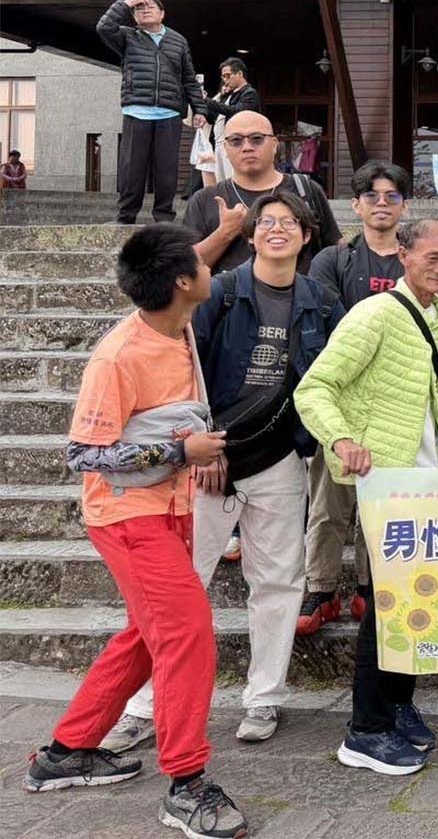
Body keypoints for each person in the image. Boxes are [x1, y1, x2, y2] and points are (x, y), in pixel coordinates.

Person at [23, 223, 248, 838]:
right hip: (126, 519)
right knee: (188, 633)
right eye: (200, 264)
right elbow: (83, 455)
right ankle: (186, 783)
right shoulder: (119, 354)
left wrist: (228, 229)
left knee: (147, 637)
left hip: (168, 511)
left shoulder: (175, 323)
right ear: (182, 283)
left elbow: (191, 256)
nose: (212, 268)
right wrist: (182, 452)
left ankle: (65, 753)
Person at [107, 190, 343, 752]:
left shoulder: (321, 299)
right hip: (207, 461)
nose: (277, 230)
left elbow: (330, 374)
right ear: (252, 234)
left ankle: (264, 698)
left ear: (307, 237)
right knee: (179, 587)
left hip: (281, 458)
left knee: (280, 582)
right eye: (267, 223)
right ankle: (142, 706)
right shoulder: (223, 292)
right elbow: (186, 368)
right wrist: (201, 446)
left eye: (289, 223)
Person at [295, 219, 438, 776]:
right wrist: (343, 440)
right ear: (403, 254)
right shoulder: (373, 314)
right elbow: (314, 387)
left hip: (427, 485)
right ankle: (364, 730)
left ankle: (397, 705)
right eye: (432, 257)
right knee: (386, 608)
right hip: (384, 484)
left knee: (415, 605)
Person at [297, 161, 411, 636]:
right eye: (372, 195)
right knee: (328, 503)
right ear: (356, 204)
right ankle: (320, 586)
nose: (381, 203)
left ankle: (370, 585)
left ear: (405, 205)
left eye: (391, 195)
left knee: (381, 503)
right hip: (342, 401)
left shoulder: (414, 258)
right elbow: (329, 328)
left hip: (395, 403)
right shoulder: (333, 260)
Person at [97, 0, 209, 224]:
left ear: (162, 13)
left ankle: (164, 217)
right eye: (138, 8)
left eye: (150, 6)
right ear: (134, 16)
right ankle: (126, 216)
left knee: (166, 170)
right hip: (136, 112)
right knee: (132, 170)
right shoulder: (127, 36)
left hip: (169, 114)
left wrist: (200, 109)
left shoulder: (178, 41)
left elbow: (188, 77)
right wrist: (126, 3)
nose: (144, 10)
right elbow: (104, 27)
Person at [184, 110, 342, 273]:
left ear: (274, 144)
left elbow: (334, 252)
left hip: (300, 296)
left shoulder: (306, 190)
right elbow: (185, 267)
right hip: (228, 297)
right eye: (236, 141)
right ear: (225, 148)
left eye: (257, 139)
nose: (247, 147)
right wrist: (225, 233)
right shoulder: (205, 199)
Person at [194, 56, 262, 190]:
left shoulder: (249, 93)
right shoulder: (228, 94)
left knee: (234, 182)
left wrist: (208, 100)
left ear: (240, 74)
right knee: (222, 183)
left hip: (236, 143)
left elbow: (237, 112)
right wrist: (212, 99)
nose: (225, 80)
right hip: (220, 143)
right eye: (223, 77)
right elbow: (213, 117)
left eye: (227, 75)